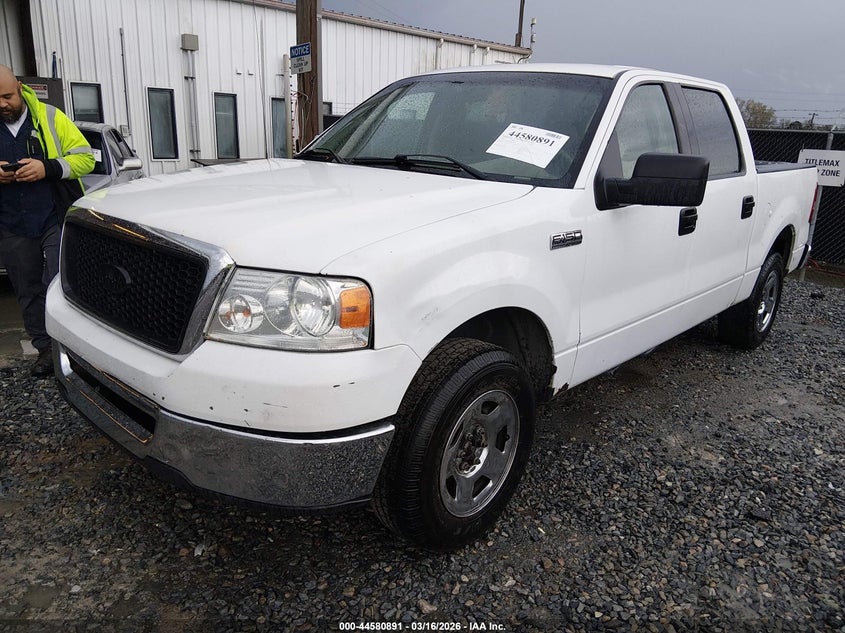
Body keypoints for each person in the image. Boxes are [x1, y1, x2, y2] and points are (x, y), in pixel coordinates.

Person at [0, 65, 94, 377]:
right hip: (11, 222)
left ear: (19, 88)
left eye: (7, 96)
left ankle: (72, 350)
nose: (2, 104)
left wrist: (47, 168)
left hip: (54, 215)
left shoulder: (52, 117)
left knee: (58, 283)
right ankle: (44, 350)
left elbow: (86, 158)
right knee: (26, 287)